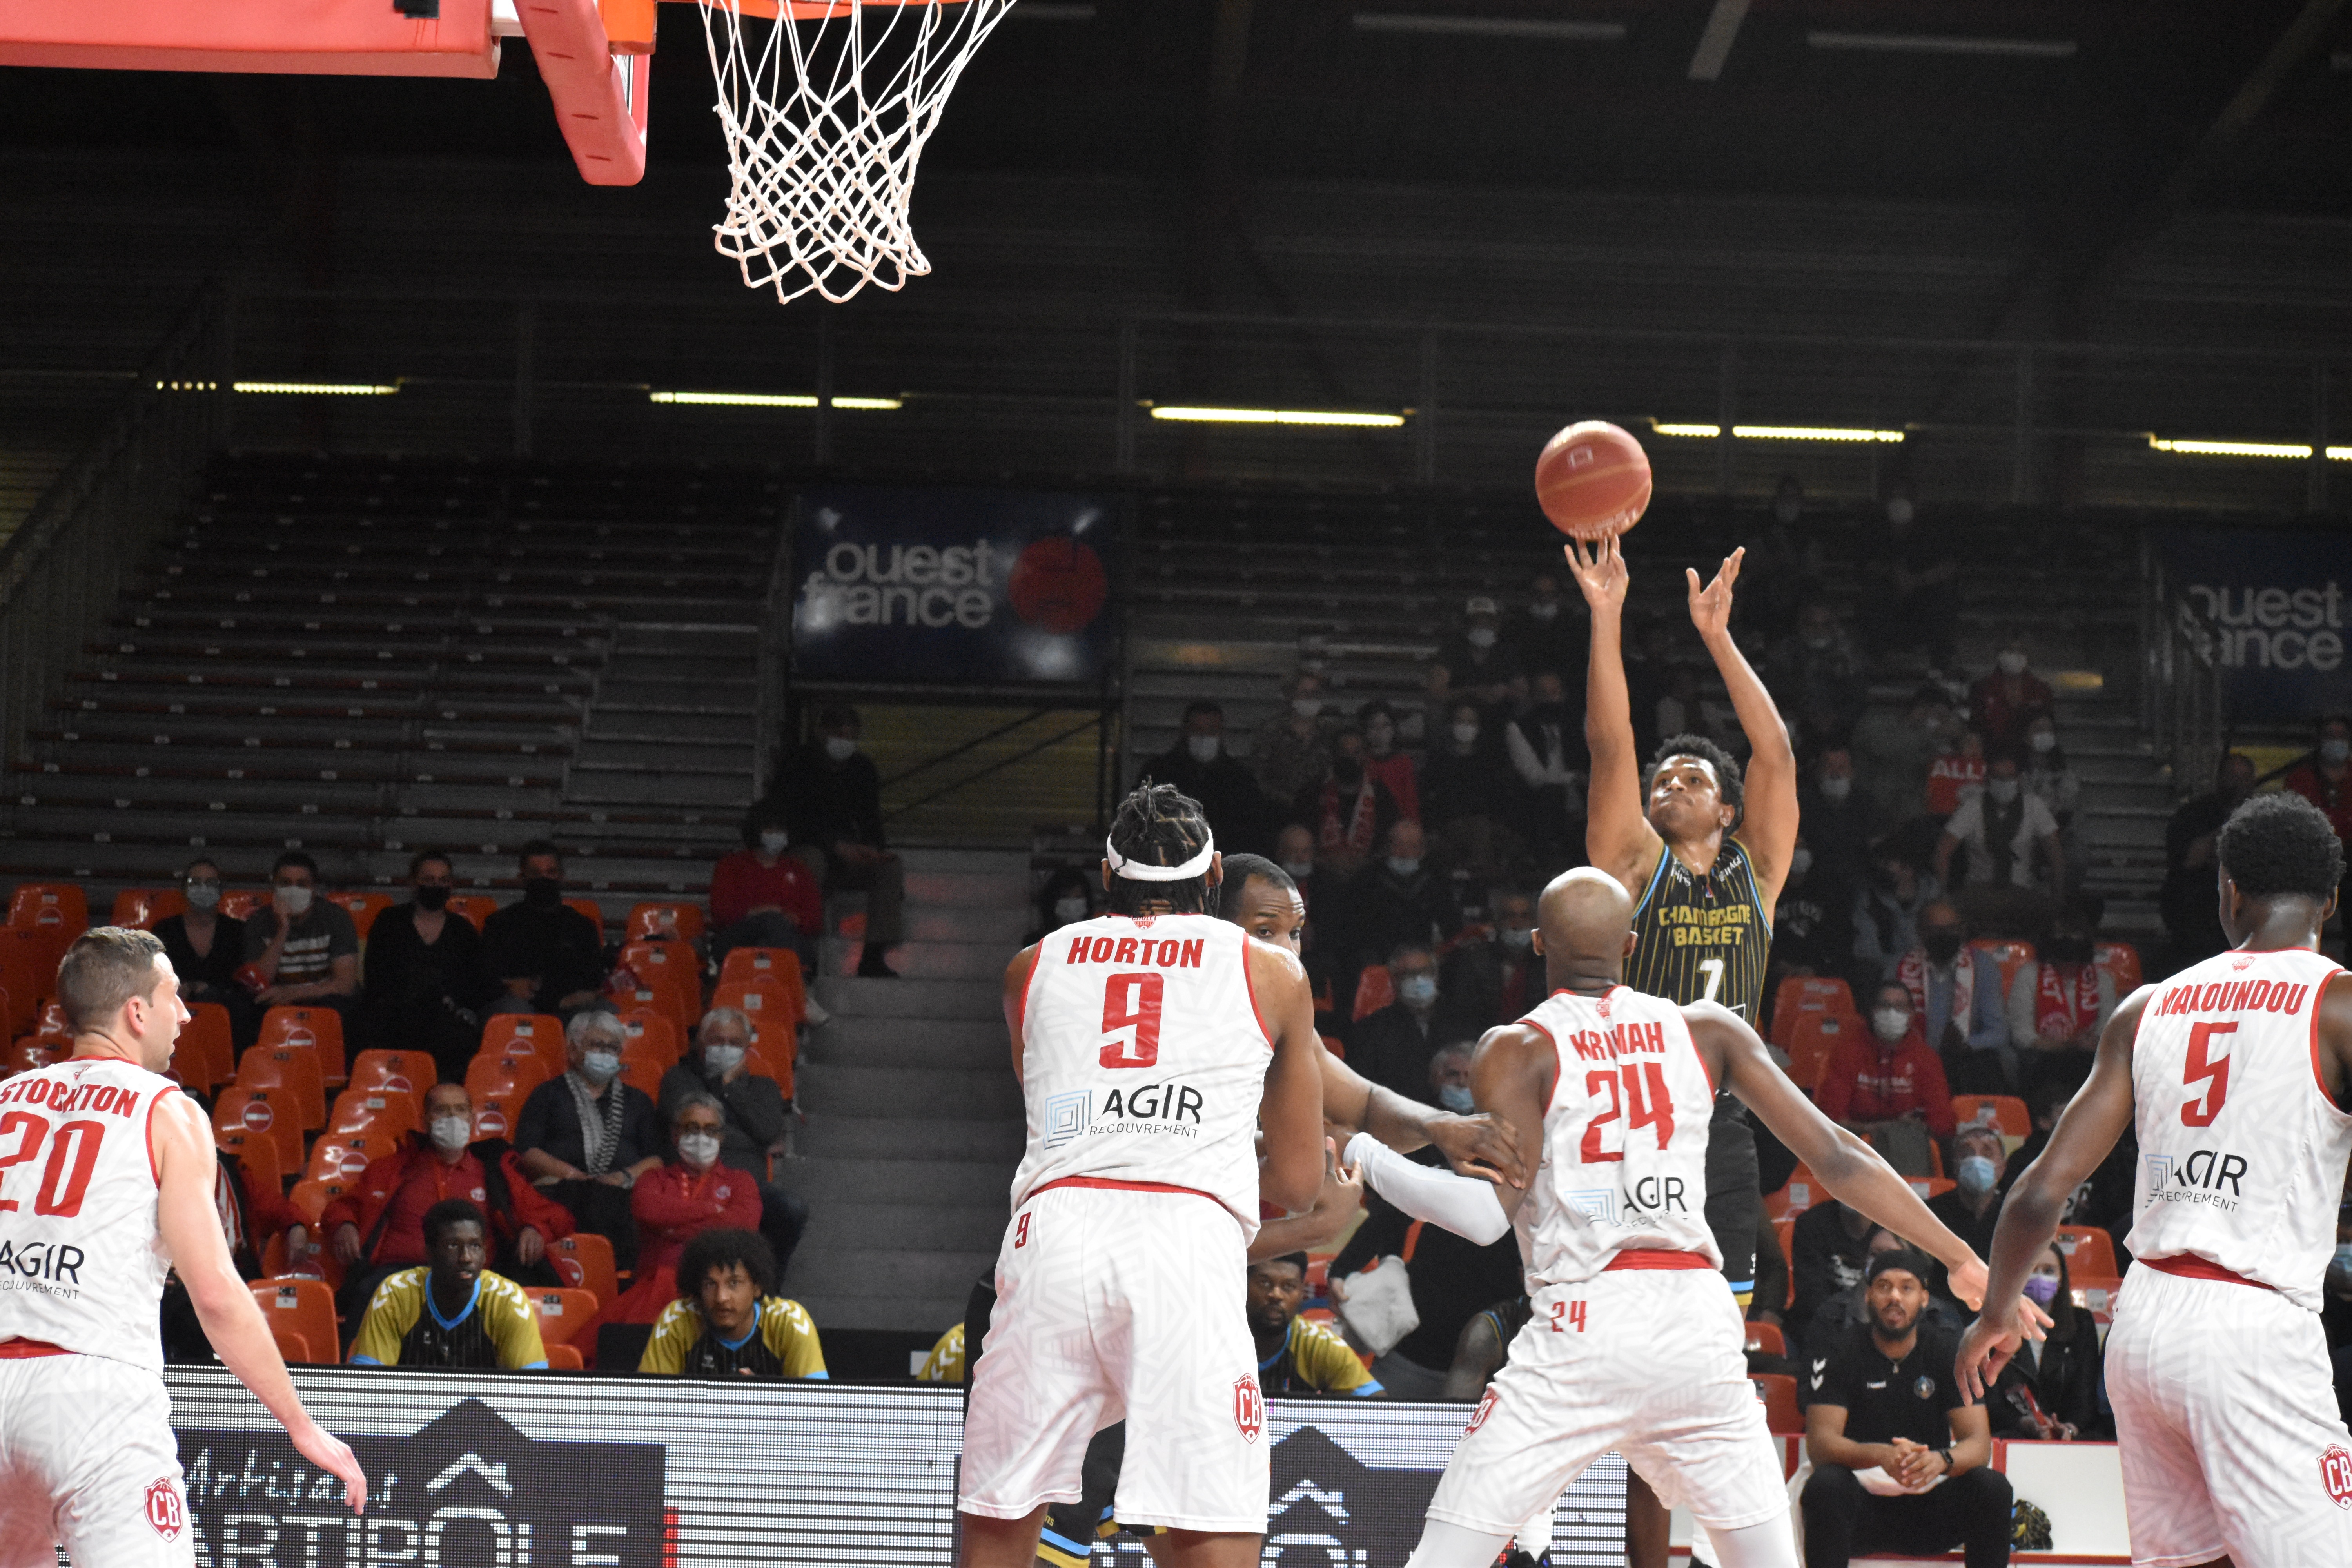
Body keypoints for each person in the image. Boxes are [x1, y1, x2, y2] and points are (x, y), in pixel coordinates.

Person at [1388, 868, 2005, 1568]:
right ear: (1630, 942)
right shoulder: (1708, 1029)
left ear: (1536, 944)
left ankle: (1535, 1515)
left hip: (1586, 1320)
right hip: (1696, 1322)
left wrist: (1371, 1156)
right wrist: (1959, 1256)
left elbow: (1487, 1210)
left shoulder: (1516, 1047)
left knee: (1442, 1558)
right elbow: (1837, 1156)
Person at [1958, 790, 2352, 1566]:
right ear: (2331, 900)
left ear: (2227, 890)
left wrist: (1996, 1311)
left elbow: (2038, 1191)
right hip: (2254, 1323)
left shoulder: (2146, 1006)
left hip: (2142, 1324)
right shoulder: (2337, 1003)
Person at [957, 781, 1325, 1568]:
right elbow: (1298, 1182)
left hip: (1054, 1232)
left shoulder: (1030, 967)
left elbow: (1051, 1096)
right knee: (1205, 1524)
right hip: (1185, 1243)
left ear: (1105, 872)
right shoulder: (1272, 973)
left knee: (1001, 1515)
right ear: (1216, 873)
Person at [0, 926, 365, 1563]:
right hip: (95, 1392)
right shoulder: (166, 1110)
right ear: (136, 1013)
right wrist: (301, 1426)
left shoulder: (4, 1100)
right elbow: (217, 1296)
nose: (187, 1013)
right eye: (174, 996)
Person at [1571, 533, 1799, 1510]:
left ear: (1727, 808)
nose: (1669, 788)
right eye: (1663, 783)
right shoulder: (1632, 862)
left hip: (1725, 1129)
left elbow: (1776, 749)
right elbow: (1611, 745)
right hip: (1631, 1119)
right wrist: (1608, 615)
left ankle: (1709, 1522)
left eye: (1692, 782)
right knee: (1623, 1341)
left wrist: (1717, 637)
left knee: (1714, 1344)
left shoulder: (1760, 867)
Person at [1799, 1249, 2011, 1568]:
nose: (1894, 1297)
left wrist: (1941, 1460)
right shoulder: (1839, 1350)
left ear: (1925, 1298)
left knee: (1992, 1487)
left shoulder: (1948, 1351)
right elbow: (1820, 1445)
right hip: (1861, 1507)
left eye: (1907, 1288)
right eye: (1884, 1286)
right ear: (1868, 1295)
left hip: (1928, 1506)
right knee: (1825, 1485)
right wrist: (1882, 1456)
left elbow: (1978, 1445)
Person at [323, 1081, 571, 1329]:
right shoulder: (390, 1169)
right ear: (425, 1121)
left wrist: (536, 1229)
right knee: (368, 1292)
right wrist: (345, 1225)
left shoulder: (495, 1174)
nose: (453, 1117)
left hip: (474, 1277)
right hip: (400, 1277)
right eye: (442, 1110)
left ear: (472, 1120)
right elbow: (340, 1208)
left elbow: (556, 1215)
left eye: (460, 1109)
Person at [656, 1006, 807, 1271]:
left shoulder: (764, 1087)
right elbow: (684, 1120)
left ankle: (766, 1285)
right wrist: (742, 1130)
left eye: (735, 1043)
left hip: (745, 1186)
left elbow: (767, 1131)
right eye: (718, 1041)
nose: (726, 1048)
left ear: (747, 1048)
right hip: (688, 1182)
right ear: (702, 1043)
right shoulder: (679, 1078)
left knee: (792, 1209)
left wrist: (730, 1086)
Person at [513, 1009, 663, 1270]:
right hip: (561, 1190)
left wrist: (621, 1178)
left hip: (620, 1196)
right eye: (597, 1045)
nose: (606, 1053)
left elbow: (657, 1159)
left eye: (613, 1048)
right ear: (573, 1051)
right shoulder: (548, 1094)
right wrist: (572, 1175)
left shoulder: (637, 1101)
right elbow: (528, 1151)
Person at [603, 1091, 766, 1325]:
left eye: (710, 1130)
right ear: (675, 1133)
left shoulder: (741, 1181)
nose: (701, 1137)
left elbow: (743, 1225)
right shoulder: (653, 1178)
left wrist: (671, 1230)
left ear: (721, 1137)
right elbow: (648, 1211)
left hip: (720, 1293)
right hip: (655, 1287)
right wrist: (713, 1210)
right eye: (691, 1128)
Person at [773, 703, 906, 977]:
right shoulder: (797, 765)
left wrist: (872, 850)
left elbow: (871, 818)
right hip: (810, 850)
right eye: (839, 735)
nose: (844, 743)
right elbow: (791, 821)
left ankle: (873, 956)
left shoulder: (862, 770)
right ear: (822, 733)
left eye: (850, 737)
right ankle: (804, 953)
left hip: (848, 856)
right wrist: (834, 846)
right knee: (813, 861)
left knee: (889, 868)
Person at [348, 1198, 549, 1370]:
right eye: (454, 1246)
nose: (466, 1258)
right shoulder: (395, 1294)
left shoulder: (508, 1300)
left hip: (483, 1414)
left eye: (475, 1246)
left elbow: (534, 1392)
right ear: (429, 1253)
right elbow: (367, 1386)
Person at [360, 849, 490, 1083]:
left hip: (446, 1018)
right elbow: (375, 976)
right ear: (413, 883)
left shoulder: (463, 931)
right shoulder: (389, 921)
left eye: (443, 880)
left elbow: (475, 984)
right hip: (396, 1013)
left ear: (451, 885)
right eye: (428, 880)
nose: (436, 886)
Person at [639, 1228, 827, 1378]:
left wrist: (765, 1398)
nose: (721, 1297)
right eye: (710, 1284)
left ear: (757, 1287)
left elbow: (818, 1410)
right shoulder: (677, 1319)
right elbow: (646, 1406)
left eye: (734, 1283)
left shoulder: (789, 1321)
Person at [1813, 983, 1956, 1176]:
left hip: (1908, 1151)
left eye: (1900, 1007)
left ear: (1912, 1014)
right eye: (1885, 1005)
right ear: (1872, 1011)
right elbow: (1830, 1118)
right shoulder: (1846, 1052)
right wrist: (1882, 1130)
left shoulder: (1926, 1059)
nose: (1892, 1013)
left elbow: (1942, 1124)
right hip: (1853, 1148)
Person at [1983, 1242, 2108, 1442]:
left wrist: (2070, 1428)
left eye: (2049, 1271)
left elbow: (2086, 1396)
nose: (2040, 1277)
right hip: (2014, 1433)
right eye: (2032, 1270)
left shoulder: (2081, 1324)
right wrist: (2024, 1423)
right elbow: (1991, 1399)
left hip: (2070, 1437)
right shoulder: (1997, 1324)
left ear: (2060, 1281)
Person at [1934, 753, 2063, 937]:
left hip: (2022, 889)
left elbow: (2056, 855)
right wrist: (1943, 894)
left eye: (2009, 778)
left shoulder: (2034, 805)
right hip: (1980, 889)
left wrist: (2057, 898)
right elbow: (1943, 852)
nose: (2004, 784)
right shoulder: (1973, 806)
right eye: (1998, 778)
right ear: (1987, 780)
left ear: (2019, 780)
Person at [1894, 901, 2010, 1094]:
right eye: (1935, 930)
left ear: (1963, 931)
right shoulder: (1900, 967)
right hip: (1913, 1054)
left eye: (1951, 929)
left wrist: (1967, 1046)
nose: (1944, 936)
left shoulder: (1983, 967)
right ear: (1921, 932)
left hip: (1968, 1060)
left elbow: (1998, 1032)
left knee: (1996, 1062)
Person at [2003, 902, 2115, 1100]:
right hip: (2042, 1057)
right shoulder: (2029, 975)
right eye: (2062, 937)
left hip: (2087, 1058)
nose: (2069, 943)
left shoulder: (2103, 980)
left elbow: (2106, 1032)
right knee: (2048, 1062)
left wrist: (2083, 1044)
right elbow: (2022, 1035)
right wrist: (2064, 1046)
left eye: (2076, 937)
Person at [1133, 699, 1272, 858]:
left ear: (1222, 734)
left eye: (1212, 730)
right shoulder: (1159, 774)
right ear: (1185, 732)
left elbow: (1252, 833)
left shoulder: (1240, 780)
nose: (1204, 736)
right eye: (1197, 730)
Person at [481, 841, 606, 1016]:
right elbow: (487, 978)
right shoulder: (500, 924)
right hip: (521, 1007)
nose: (544, 879)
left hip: (572, 1007)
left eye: (551, 872)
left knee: (607, 1013)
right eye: (536, 874)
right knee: (515, 1010)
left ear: (562, 876)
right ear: (522, 877)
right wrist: (508, 986)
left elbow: (593, 979)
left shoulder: (581, 926)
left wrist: (574, 998)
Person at [1346, 943, 1479, 1105]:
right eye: (1408, 975)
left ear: (1436, 975)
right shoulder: (1371, 1031)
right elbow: (1363, 1090)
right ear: (1394, 980)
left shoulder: (1466, 1022)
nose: (1418, 980)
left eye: (1425, 972)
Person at [2160, 751, 2257, 972]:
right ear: (2220, 779)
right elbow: (2188, 861)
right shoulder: (2193, 814)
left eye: (2244, 779)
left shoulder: (2263, 817)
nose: (2239, 785)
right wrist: (2227, 825)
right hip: (2198, 905)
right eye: (2233, 778)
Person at [243, 849, 361, 1026]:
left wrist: (293, 993)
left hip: (323, 1000)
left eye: (302, 884)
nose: (293, 890)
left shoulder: (336, 918)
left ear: (314, 889)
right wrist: (283, 929)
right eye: (285, 884)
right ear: (274, 887)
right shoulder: (258, 922)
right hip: (277, 1002)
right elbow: (260, 982)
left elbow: (345, 985)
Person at [707, 799, 824, 973]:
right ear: (757, 831)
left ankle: (782, 973)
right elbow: (722, 913)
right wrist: (761, 913)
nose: (777, 835)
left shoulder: (799, 871)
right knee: (770, 922)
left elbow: (815, 921)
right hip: (738, 941)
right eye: (771, 830)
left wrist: (787, 917)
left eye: (781, 830)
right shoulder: (731, 866)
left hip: (790, 938)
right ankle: (789, 975)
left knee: (776, 927)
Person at [153, 856, 255, 1046]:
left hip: (227, 1013)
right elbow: (153, 978)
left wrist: (213, 992)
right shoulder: (164, 930)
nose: (204, 888)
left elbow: (244, 982)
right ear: (184, 889)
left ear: (220, 890)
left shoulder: (237, 931)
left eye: (211, 883)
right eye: (196, 882)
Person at [1247, 1252, 1381, 1396]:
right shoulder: (1221, 1334)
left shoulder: (1317, 1343)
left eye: (1289, 1286)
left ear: (1301, 1293)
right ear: (1242, 1284)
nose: (1276, 1295)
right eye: (1265, 1283)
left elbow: (1377, 1406)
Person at [1348, 820, 1461, 970]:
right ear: (1389, 846)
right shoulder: (1368, 879)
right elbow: (1356, 928)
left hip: (1424, 955)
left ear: (1422, 850)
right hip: (1379, 956)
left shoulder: (1435, 880)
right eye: (1399, 845)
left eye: (1412, 846)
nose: (1405, 853)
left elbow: (1451, 924)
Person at [1296, 726, 1401, 881]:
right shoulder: (1312, 792)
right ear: (1335, 755)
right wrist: (1327, 863)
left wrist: (1364, 864)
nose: (1350, 758)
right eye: (1345, 753)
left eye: (1356, 753)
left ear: (1365, 756)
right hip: (1320, 876)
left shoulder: (1381, 795)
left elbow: (1390, 841)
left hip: (1370, 876)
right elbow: (1299, 837)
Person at [1504, 668, 1586, 861]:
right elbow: (1535, 778)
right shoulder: (1518, 728)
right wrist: (1575, 778)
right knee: (1553, 795)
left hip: (1582, 799)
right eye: (1544, 694)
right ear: (1533, 696)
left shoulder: (1577, 724)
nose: (1551, 699)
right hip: (1539, 805)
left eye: (1555, 692)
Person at [1923, 1123, 2008, 1305]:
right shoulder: (1931, 1213)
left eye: (1987, 1153)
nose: (1977, 1160)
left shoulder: (2015, 1218)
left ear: (2002, 1167)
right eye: (1967, 1154)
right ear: (1955, 1166)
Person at [1850, 686, 1955, 830]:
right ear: (1921, 708)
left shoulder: (1930, 740)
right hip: (1871, 801)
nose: (1939, 721)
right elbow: (1883, 749)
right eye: (1937, 714)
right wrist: (1927, 735)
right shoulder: (1877, 722)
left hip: (1907, 808)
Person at [2281, 714, 2352, 923]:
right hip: (2313, 862)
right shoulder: (2299, 779)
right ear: (2319, 740)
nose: (2336, 741)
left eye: (2342, 736)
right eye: (2331, 736)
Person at [1428, 595, 1524, 725]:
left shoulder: (1506, 652)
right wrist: (1470, 693)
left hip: (1497, 712)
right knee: (1436, 712)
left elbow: (1522, 690)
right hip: (1458, 713)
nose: (1483, 627)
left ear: (1496, 626)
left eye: (1488, 623)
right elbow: (1436, 692)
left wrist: (1505, 691)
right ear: (1467, 626)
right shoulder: (1452, 650)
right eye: (1477, 622)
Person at [1851, 852, 1941, 987]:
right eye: (1879, 863)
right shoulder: (1869, 901)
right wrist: (1905, 969)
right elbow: (1868, 954)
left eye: (1887, 864)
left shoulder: (1935, 897)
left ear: (1908, 869)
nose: (1881, 869)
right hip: (1889, 980)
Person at [1250, 668, 1337, 808]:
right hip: (1277, 810)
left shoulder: (1331, 733)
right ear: (1290, 695)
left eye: (1315, 693)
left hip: (1321, 811)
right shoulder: (1271, 731)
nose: (1311, 697)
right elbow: (1259, 776)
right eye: (1304, 693)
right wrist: (1288, 801)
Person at [1967, 640, 2055, 754]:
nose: (2016, 656)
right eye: (2010, 651)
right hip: (1991, 745)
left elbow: (2048, 719)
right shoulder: (1983, 687)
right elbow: (1976, 721)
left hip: (2028, 748)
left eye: (2020, 651)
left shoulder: (2041, 689)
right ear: (1999, 655)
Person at [1358, 701, 1422, 824]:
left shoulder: (1404, 763)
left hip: (1398, 825)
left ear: (1393, 729)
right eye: (1373, 726)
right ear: (1366, 731)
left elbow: (1411, 802)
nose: (1380, 731)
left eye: (1386, 725)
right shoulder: (1361, 762)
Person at [1024, 866, 1096, 947]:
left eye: (1078, 897)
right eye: (1065, 897)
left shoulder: (1097, 941)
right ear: (1052, 902)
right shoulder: (1035, 944)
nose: (1072, 903)